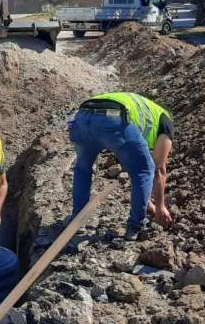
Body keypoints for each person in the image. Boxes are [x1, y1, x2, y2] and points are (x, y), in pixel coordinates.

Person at [69, 92, 174, 240]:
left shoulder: (143, 108)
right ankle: (135, 226)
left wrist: (146, 201)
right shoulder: (166, 120)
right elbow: (158, 168)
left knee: (83, 169)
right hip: (113, 118)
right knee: (145, 170)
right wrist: (160, 207)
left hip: (81, 117)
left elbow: (130, 158)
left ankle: (77, 220)